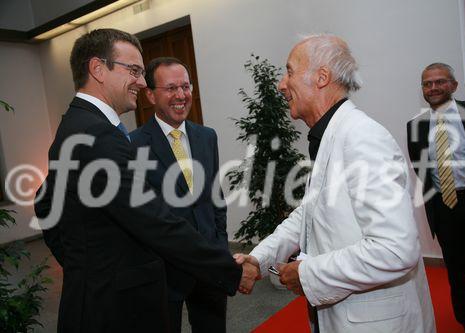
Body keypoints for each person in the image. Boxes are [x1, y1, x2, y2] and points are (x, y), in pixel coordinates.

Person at [34, 29, 257, 333]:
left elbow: (46, 202)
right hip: (114, 306)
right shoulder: (97, 135)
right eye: (135, 70)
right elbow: (154, 221)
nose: (140, 81)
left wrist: (82, 264)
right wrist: (229, 270)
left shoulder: (79, 124)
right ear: (98, 69)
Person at [235, 35, 435, 333]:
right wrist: (259, 259)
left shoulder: (361, 137)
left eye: (289, 71)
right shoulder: (331, 135)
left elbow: (396, 249)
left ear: (321, 77)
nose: (281, 84)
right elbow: (309, 213)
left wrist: (308, 274)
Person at [130, 57, 229, 332]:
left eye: (186, 87)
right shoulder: (132, 145)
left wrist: (220, 246)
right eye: (171, 88)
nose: (181, 96)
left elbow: (215, 197)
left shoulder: (207, 136)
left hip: (209, 266)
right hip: (163, 273)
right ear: (150, 95)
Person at [407, 63, 465, 332]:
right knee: (457, 273)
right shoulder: (416, 127)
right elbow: (422, 172)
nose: (433, 87)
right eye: (427, 83)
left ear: (454, 85)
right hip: (445, 209)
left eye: (439, 81)